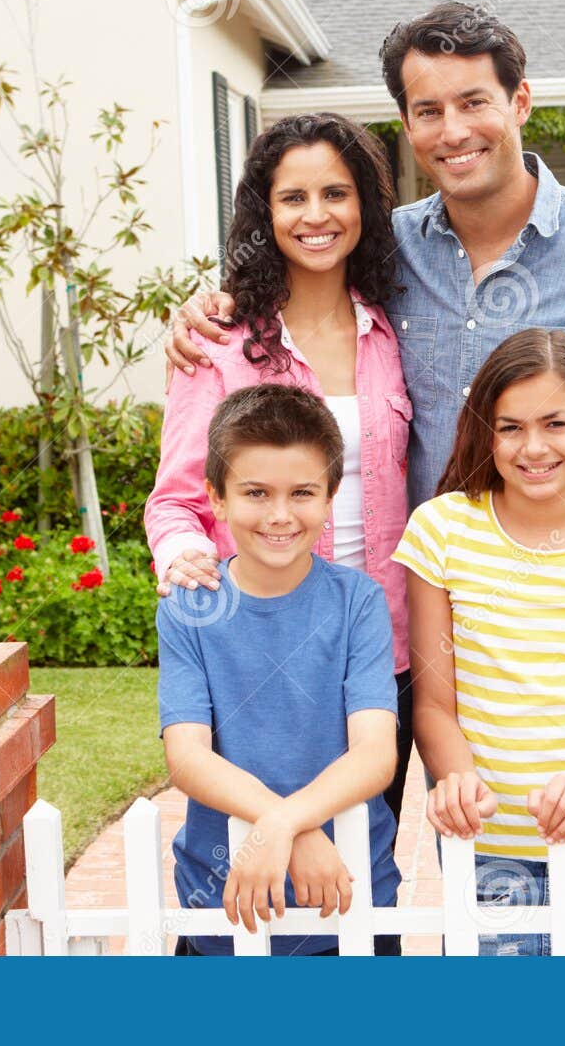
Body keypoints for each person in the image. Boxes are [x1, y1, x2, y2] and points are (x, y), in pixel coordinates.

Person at [166, 1, 565, 591]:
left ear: (521, 102)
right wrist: (213, 308)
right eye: (428, 111)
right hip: (427, 603)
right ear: (407, 127)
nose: (453, 131)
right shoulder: (384, 249)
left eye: (473, 102)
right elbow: (300, 278)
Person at [144, 112, 416, 832]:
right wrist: (186, 560)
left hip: (384, 644)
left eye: (336, 193)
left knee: (365, 861)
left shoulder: (395, 329)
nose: (316, 215)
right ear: (266, 213)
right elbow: (174, 500)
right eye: (293, 198)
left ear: (364, 203)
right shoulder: (220, 345)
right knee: (262, 856)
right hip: (263, 648)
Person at [392, 329, 565, 957]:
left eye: (556, 423)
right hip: (488, 852)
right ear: (487, 433)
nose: (534, 447)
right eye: (511, 427)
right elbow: (434, 706)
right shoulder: (441, 532)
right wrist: (459, 780)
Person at [157, 384, 400, 956]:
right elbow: (187, 757)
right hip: (223, 899)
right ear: (216, 498)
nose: (280, 515)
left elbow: (375, 753)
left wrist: (283, 825)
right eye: (256, 493)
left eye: (302, 493)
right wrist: (285, 824)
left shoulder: (358, 602)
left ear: (332, 495)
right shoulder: (189, 607)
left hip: (348, 890)